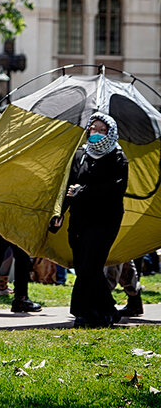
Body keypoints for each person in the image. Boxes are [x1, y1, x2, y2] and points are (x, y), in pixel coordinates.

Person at [51, 112, 128, 328]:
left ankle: (81, 312)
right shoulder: (80, 155)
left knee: (90, 263)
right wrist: (59, 213)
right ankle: (108, 310)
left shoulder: (118, 158)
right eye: (92, 129)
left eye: (102, 130)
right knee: (84, 266)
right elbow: (68, 186)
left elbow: (116, 189)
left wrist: (84, 191)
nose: (95, 134)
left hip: (105, 219)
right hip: (79, 219)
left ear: (110, 133)